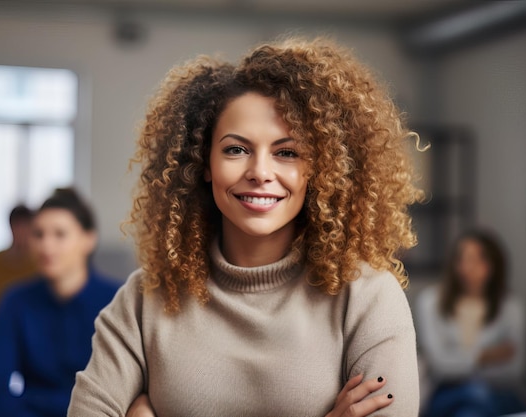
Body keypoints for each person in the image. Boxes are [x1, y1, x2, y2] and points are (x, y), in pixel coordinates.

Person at [68, 36, 423, 417]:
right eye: (236, 149)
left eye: (287, 152)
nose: (260, 173)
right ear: (204, 162)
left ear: (319, 168)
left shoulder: (367, 297)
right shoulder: (147, 296)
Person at [0, 188, 122, 417]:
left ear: (88, 239)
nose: (46, 246)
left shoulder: (118, 301)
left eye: (60, 234)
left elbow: (122, 395)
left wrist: (36, 402)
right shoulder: (15, 301)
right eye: (38, 234)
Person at [416, 230, 525, 417]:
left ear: (493, 265)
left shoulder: (510, 307)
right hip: (447, 393)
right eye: (463, 259)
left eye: (477, 260)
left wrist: (459, 359)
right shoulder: (430, 302)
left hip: (499, 393)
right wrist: (485, 356)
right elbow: (439, 365)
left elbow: (513, 369)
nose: (468, 267)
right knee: (475, 396)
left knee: (473, 405)